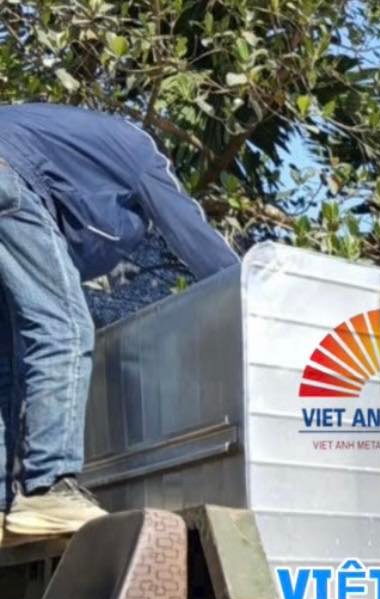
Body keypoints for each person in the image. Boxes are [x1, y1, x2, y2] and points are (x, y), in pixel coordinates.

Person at [0, 104, 238, 541]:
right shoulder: (142, 150)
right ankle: (49, 486)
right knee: (64, 327)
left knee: (7, 354)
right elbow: (193, 234)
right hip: (5, 172)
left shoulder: (73, 158)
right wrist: (247, 289)